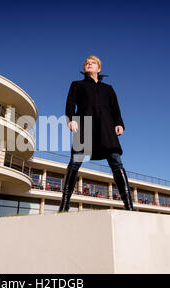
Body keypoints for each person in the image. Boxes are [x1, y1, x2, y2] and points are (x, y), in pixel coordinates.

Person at [58, 55, 134, 212]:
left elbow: (115, 108)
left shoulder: (108, 88)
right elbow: (70, 104)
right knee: (75, 162)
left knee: (116, 161)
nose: (89, 64)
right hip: (84, 125)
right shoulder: (77, 85)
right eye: (86, 63)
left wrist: (119, 123)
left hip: (106, 128)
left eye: (92, 63)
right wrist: (71, 120)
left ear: (99, 69)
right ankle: (64, 205)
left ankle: (129, 206)